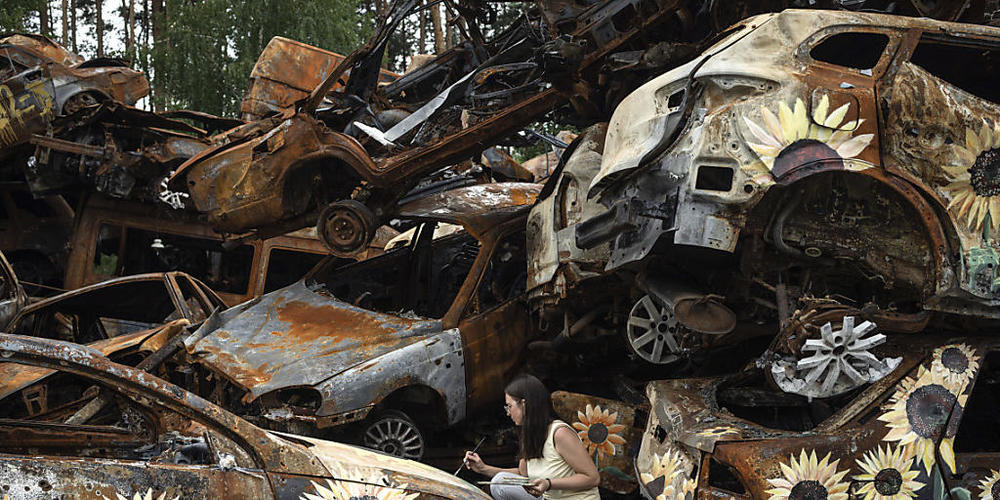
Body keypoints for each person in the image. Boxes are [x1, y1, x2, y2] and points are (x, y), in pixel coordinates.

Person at [464, 375, 600, 499]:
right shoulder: (530, 434)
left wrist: (549, 484)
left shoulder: (560, 433)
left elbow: (592, 478)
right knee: (499, 482)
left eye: (509, 406)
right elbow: (524, 475)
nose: (508, 413)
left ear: (524, 405)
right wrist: (483, 468)